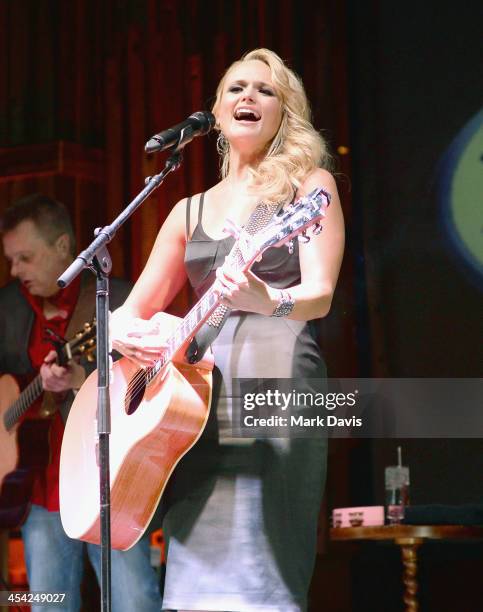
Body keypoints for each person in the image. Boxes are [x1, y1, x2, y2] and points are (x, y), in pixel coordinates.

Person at [110, 48, 345, 612]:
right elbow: (126, 313)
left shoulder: (308, 187)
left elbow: (320, 297)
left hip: (279, 383)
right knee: (192, 575)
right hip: (193, 402)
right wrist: (125, 337)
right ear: (215, 112)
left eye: (265, 90)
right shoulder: (187, 211)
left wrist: (268, 300)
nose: (248, 97)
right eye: (236, 88)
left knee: (264, 561)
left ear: (284, 111)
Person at [0, 194, 162, 612]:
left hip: (109, 485)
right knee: (47, 604)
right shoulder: (8, 308)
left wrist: (82, 379)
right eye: (11, 260)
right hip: (40, 494)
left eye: (25, 258)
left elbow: (152, 385)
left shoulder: (122, 301)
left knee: (135, 601)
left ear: (62, 247)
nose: (15, 271)